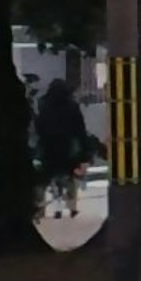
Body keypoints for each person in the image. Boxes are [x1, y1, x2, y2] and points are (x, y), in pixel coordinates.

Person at [33, 72, 92, 219]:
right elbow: (80, 130)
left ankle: (40, 208)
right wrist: (85, 153)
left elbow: (37, 127)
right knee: (72, 177)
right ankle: (72, 207)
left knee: (41, 180)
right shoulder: (72, 106)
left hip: (47, 148)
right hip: (67, 148)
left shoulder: (43, 105)